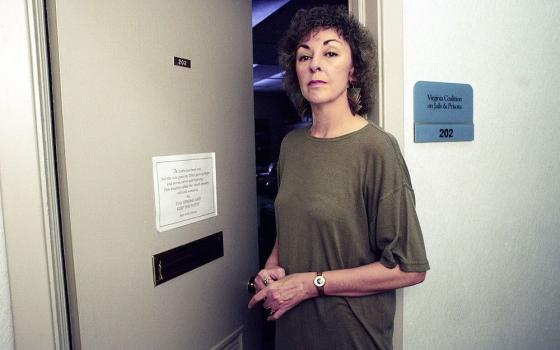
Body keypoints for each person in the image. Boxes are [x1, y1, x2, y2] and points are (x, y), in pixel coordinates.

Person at [248, 6, 430, 350]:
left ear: (354, 71)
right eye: (304, 56)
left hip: (350, 336)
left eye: (330, 52)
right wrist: (272, 266)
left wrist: (311, 283)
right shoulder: (292, 145)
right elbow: (293, 221)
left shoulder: (376, 149)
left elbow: (409, 268)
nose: (315, 63)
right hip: (291, 330)